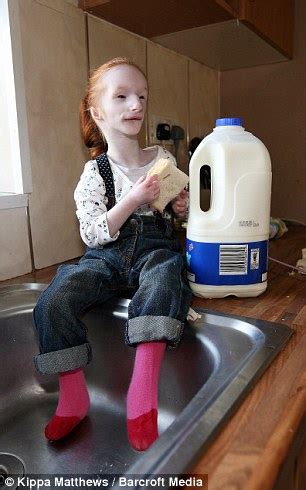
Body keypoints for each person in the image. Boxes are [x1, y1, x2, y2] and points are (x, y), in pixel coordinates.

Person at [33, 57, 192, 451]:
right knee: (56, 297)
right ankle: (73, 398)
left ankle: (143, 395)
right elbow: (93, 232)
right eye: (122, 96)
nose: (136, 105)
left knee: (166, 276)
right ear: (97, 111)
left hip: (155, 250)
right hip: (105, 256)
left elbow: (176, 217)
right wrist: (133, 198)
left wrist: (181, 209)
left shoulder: (163, 161)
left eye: (141, 96)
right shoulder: (94, 174)